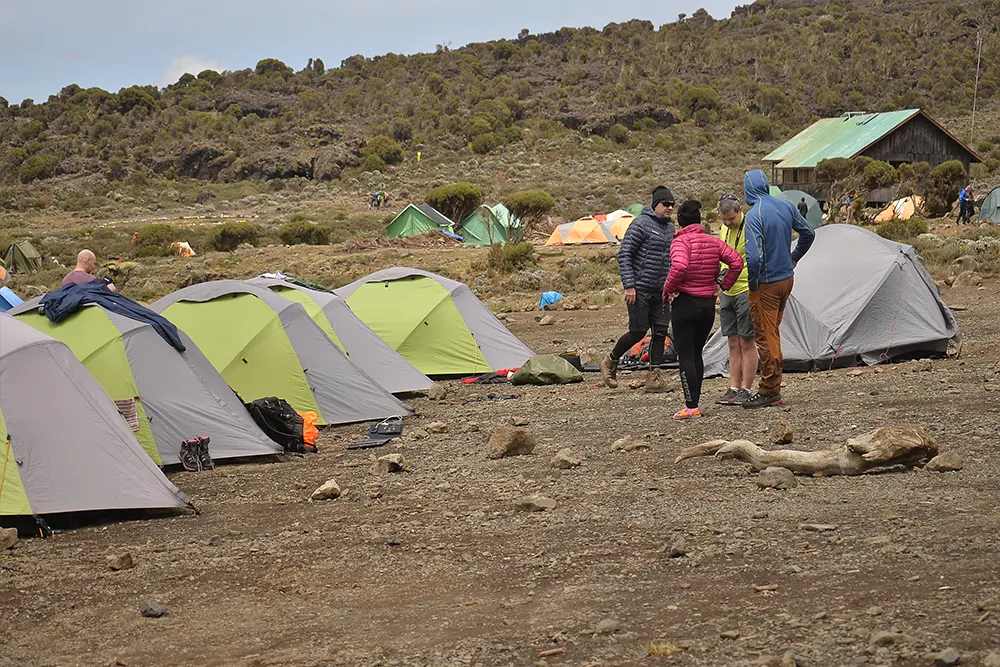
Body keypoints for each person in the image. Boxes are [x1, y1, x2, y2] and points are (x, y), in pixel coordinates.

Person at [661, 200, 743, 420]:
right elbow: (736, 261)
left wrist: (668, 289)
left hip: (685, 304)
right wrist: (722, 285)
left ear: (681, 222)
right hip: (707, 304)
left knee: (686, 354)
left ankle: (691, 406)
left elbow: (679, 266)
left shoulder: (680, 242)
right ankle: (694, 403)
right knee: (697, 353)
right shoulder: (712, 241)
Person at [742, 170, 814, 408]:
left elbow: (754, 257)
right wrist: (794, 257)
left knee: (765, 334)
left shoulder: (754, 215)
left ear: (748, 189)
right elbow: (808, 232)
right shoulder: (786, 206)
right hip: (786, 279)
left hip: (766, 283)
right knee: (773, 332)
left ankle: (769, 389)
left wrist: (753, 285)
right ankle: (772, 384)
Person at [600, 186, 676, 393]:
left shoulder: (670, 228)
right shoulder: (640, 224)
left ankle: (654, 377)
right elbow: (625, 254)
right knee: (638, 331)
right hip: (640, 288)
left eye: (672, 205)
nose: (670, 208)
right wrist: (629, 285)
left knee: (660, 331)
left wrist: (671, 287)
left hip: (661, 290)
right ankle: (610, 361)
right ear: (655, 205)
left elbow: (671, 258)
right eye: (666, 204)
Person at [715, 194, 758, 406]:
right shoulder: (723, 229)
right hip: (726, 290)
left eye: (731, 219)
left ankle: (746, 388)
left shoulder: (750, 226)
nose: (728, 223)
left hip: (745, 289)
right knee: (732, 341)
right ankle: (733, 387)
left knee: (746, 341)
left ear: (740, 211)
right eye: (724, 220)